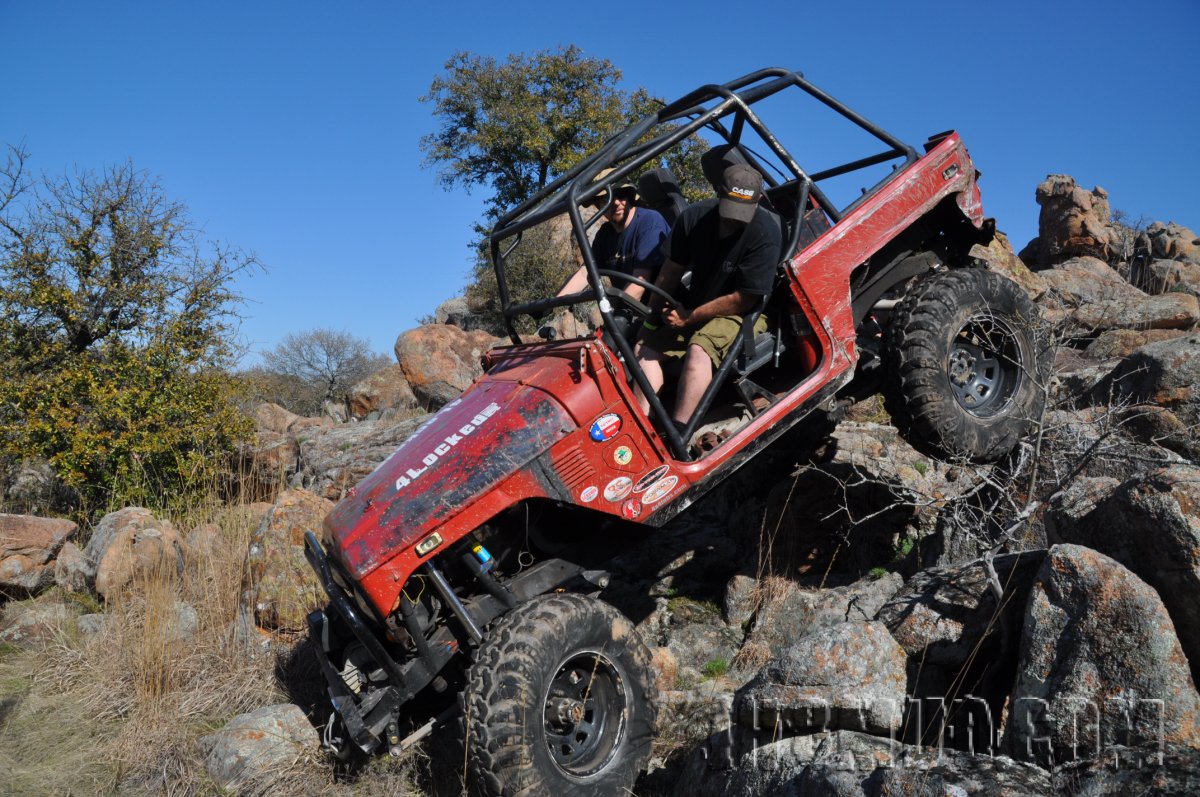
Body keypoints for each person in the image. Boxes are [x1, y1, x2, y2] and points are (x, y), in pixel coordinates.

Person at [634, 164, 782, 433]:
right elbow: (670, 271)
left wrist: (690, 317)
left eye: (743, 211)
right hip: (694, 307)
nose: (735, 219)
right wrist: (651, 322)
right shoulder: (695, 218)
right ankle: (638, 428)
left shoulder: (765, 232)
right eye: (730, 209)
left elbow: (743, 300)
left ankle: (679, 434)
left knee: (699, 350)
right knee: (645, 351)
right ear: (717, 192)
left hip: (745, 317)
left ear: (758, 200)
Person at [556, 175, 670, 302]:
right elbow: (585, 273)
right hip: (632, 308)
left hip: (661, 308)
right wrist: (552, 303)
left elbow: (640, 282)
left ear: (629, 197)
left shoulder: (649, 221)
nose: (615, 202)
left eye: (620, 195)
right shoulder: (605, 233)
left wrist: (618, 314)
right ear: (599, 206)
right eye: (607, 198)